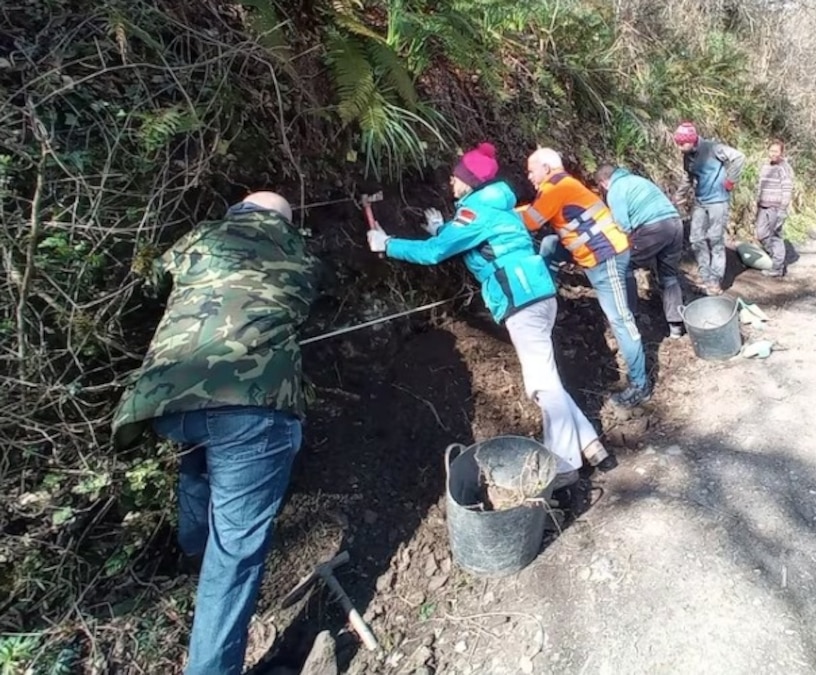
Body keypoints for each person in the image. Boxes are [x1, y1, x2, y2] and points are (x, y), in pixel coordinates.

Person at [110, 191, 319, 675]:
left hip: (165, 400)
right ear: (284, 222)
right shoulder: (296, 251)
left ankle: (191, 554)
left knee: (200, 451)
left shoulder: (198, 237)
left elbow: (150, 283)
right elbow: (306, 297)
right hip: (251, 406)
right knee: (237, 553)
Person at [366, 143, 615, 486]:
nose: (451, 184)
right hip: (539, 291)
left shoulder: (473, 214)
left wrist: (387, 243)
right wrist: (441, 228)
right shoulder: (498, 207)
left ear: (468, 182)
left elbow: (437, 252)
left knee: (541, 384)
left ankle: (563, 464)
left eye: (456, 178)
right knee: (548, 376)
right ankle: (590, 444)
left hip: (520, 299)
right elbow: (478, 244)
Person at [521, 148, 652, 408]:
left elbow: (531, 221)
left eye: (531, 170)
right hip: (595, 255)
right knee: (549, 244)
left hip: (606, 258)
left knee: (620, 320)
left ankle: (640, 385)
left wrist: (497, 213)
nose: (529, 176)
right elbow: (535, 212)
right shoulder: (560, 185)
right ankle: (548, 292)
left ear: (546, 168)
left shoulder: (555, 188)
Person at [592, 164, 686, 339]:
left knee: (624, 265)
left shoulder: (616, 190)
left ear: (603, 183)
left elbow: (623, 226)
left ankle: (630, 315)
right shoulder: (638, 180)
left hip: (654, 228)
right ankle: (675, 326)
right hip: (675, 224)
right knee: (669, 276)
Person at [671, 122, 745, 295]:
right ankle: (705, 276)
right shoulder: (688, 155)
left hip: (718, 201)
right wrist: (679, 195)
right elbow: (688, 177)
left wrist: (730, 181)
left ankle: (715, 281)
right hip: (700, 201)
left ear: (691, 140)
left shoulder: (713, 148)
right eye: (678, 144)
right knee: (696, 238)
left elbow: (739, 157)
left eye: (682, 143)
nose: (680, 147)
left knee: (715, 239)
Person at [754, 139, 796, 278]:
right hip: (763, 206)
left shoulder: (784, 168)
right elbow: (761, 186)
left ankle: (777, 267)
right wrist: (758, 201)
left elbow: (787, 189)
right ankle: (774, 256)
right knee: (761, 234)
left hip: (776, 208)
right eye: (771, 151)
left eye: (776, 151)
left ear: (781, 153)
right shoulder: (765, 166)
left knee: (775, 236)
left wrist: (783, 209)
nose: (773, 154)